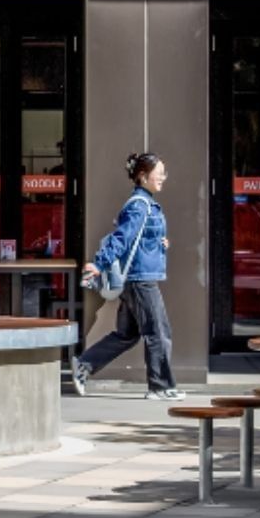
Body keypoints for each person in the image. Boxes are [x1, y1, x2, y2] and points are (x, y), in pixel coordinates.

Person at [71, 152, 184, 401]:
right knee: (158, 332)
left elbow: (139, 238)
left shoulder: (145, 203)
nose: (163, 177)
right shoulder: (139, 206)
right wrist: (99, 264)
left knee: (128, 334)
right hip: (140, 280)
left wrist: (159, 243)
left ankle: (84, 365)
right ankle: (161, 387)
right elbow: (121, 239)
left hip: (138, 277)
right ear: (143, 176)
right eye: (159, 172)